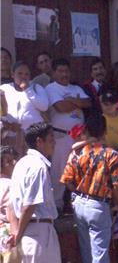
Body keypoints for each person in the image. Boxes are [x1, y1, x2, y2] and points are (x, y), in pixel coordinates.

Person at [9, 122, 71, 263]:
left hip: (28, 232)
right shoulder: (37, 166)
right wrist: (21, 230)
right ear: (39, 142)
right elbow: (30, 204)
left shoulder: (21, 164)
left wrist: (17, 232)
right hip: (39, 229)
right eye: (51, 140)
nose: (53, 144)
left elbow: (13, 206)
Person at [60, 115, 118, 263]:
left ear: (86, 131)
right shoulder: (111, 154)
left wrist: (80, 193)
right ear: (104, 132)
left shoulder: (76, 153)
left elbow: (68, 182)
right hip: (99, 204)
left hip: (79, 202)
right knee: (99, 253)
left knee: (86, 250)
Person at [45, 58, 91, 209]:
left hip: (80, 137)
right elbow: (60, 107)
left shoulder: (75, 88)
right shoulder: (51, 88)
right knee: (59, 170)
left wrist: (71, 100)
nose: (64, 74)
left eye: (66, 71)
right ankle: (56, 205)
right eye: (60, 71)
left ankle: (79, 203)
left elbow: (88, 103)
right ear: (54, 73)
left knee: (80, 169)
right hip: (61, 136)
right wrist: (76, 102)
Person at [0, 146, 22, 263]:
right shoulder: (10, 184)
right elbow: (11, 211)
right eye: (8, 161)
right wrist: (16, 234)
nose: (13, 164)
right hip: (8, 236)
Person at [0, 61, 49, 131]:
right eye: (20, 73)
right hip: (11, 134)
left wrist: (27, 90)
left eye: (26, 74)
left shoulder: (37, 88)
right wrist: (9, 125)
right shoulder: (4, 88)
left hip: (33, 134)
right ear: (12, 74)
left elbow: (44, 107)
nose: (23, 76)